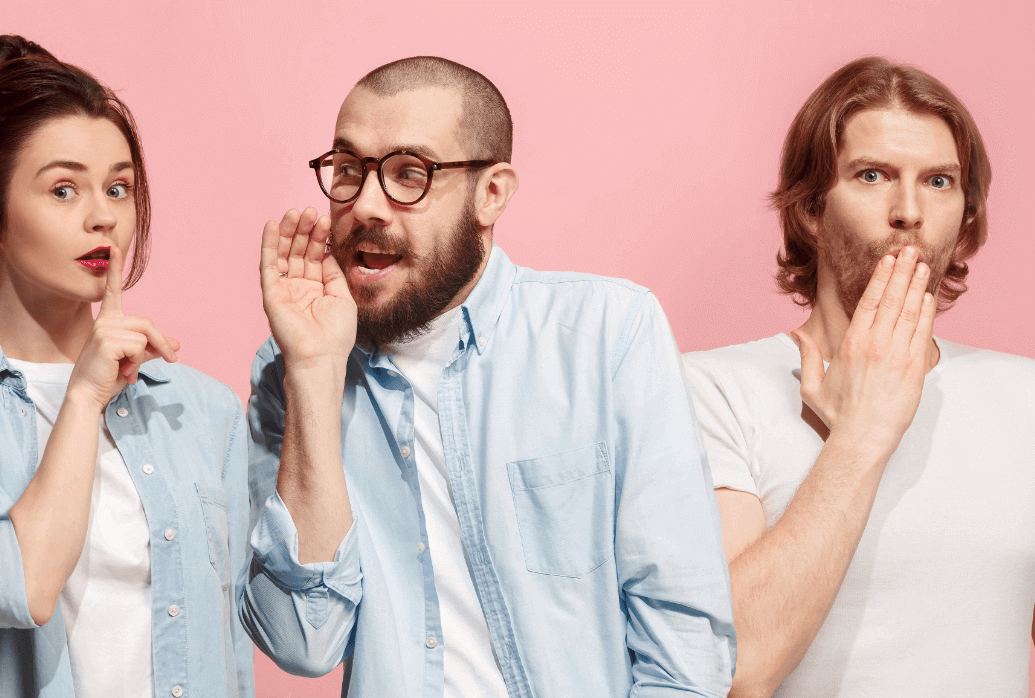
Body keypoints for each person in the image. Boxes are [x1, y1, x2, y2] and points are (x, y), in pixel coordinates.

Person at [239, 56, 734, 697]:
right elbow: (302, 642)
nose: (365, 206)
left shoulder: (607, 333)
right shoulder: (291, 370)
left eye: (408, 175)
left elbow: (686, 643)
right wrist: (312, 373)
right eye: (348, 171)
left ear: (491, 193)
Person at [682, 57, 1035, 698]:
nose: (909, 211)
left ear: (966, 214)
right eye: (873, 176)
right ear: (810, 209)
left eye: (940, 182)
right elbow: (732, 668)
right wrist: (861, 437)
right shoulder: (712, 393)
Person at [0, 35, 252, 698]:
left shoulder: (204, 409)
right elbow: (16, 587)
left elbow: (233, 647)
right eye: (64, 189)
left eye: (119, 187)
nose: (103, 216)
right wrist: (82, 399)